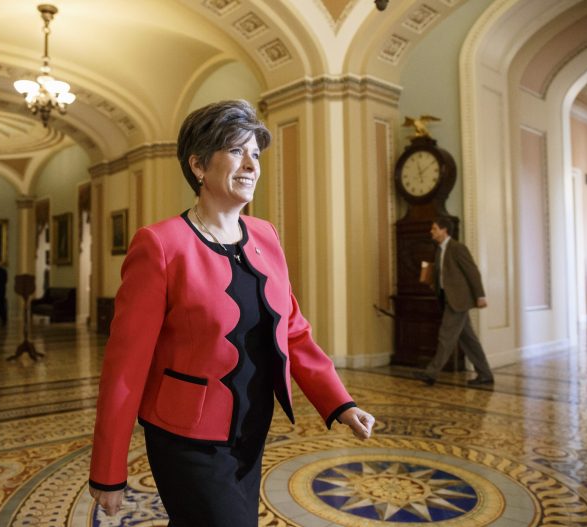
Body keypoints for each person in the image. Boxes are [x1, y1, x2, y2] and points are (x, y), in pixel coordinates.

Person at [88, 100, 375, 525]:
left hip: (249, 428)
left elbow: (292, 330)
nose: (251, 164)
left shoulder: (266, 236)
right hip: (186, 438)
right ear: (199, 165)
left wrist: (340, 402)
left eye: (256, 153)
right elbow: (125, 366)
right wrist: (108, 470)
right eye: (236, 151)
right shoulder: (161, 245)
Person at [414, 217, 494, 386]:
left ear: (444, 230)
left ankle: (431, 373)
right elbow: (443, 275)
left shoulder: (458, 248)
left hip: (458, 301)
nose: (432, 232)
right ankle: (485, 374)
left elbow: (472, 272)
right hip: (448, 300)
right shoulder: (439, 250)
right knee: (469, 340)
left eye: (434, 229)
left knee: (446, 336)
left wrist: (480, 295)